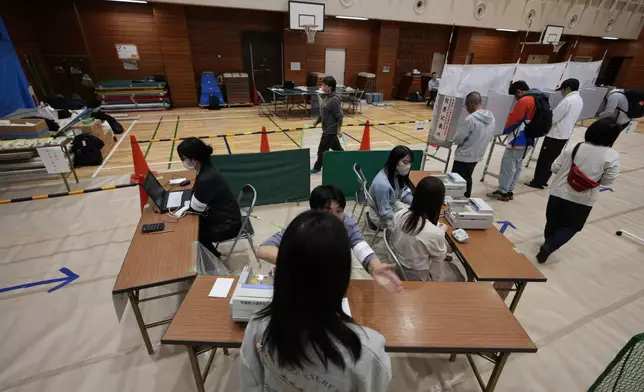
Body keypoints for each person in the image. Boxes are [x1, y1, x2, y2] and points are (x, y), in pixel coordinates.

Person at [241, 211, 392, 391]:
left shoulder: (259, 326)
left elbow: (250, 385)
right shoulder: (366, 351)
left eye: (339, 211)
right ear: (342, 276)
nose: (336, 214)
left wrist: (373, 265)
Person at [257, 185, 402, 293]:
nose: (334, 217)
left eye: (339, 211)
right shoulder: (303, 223)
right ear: (313, 211)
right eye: (327, 211)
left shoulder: (347, 224)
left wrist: (375, 268)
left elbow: (361, 247)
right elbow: (264, 250)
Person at [537, 118, 620, 263]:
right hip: (583, 199)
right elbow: (608, 180)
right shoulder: (611, 155)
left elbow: (554, 167)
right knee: (572, 226)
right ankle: (550, 245)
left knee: (552, 221)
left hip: (558, 192)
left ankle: (548, 242)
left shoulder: (573, 147)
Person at [176, 138, 242, 258]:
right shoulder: (206, 169)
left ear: (194, 159)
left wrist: (182, 207)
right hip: (224, 215)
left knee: (193, 232)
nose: (183, 161)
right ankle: (212, 255)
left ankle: (213, 259)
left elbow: (196, 209)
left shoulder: (206, 178)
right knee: (193, 226)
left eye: (184, 159)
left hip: (228, 225)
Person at [391, 176, 463, 282]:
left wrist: (439, 232)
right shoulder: (434, 233)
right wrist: (440, 233)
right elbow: (437, 269)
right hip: (417, 277)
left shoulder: (400, 214)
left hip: (399, 267)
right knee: (458, 275)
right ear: (438, 203)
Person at [487, 80, 540, 202]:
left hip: (519, 139)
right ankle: (509, 190)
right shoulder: (537, 99)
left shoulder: (525, 101)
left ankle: (503, 192)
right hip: (529, 138)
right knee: (517, 166)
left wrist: (499, 130)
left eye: (515, 96)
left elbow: (513, 121)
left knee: (508, 166)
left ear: (519, 92)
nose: (515, 100)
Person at [526, 78, 584, 190]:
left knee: (544, 159)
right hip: (565, 135)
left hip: (555, 135)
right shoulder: (579, 100)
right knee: (552, 158)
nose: (561, 93)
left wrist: (542, 123)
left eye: (562, 90)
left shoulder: (567, 101)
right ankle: (544, 180)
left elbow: (553, 118)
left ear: (568, 88)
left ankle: (537, 181)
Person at [451, 91, 495, 197]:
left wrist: (454, 139)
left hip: (464, 156)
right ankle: (466, 199)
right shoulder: (491, 118)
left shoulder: (471, 119)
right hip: (477, 155)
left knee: (456, 181)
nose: (466, 108)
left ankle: (456, 202)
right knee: (467, 177)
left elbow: (458, 139)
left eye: (466, 105)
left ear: (470, 103)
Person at [368, 146, 414, 228]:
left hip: (392, 205)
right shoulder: (382, 185)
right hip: (381, 217)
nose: (408, 166)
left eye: (410, 162)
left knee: (415, 214)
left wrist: (417, 203)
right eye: (405, 162)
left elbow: (404, 193)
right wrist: (403, 217)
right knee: (411, 224)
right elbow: (384, 213)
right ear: (394, 161)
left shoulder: (397, 173)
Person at [311, 76, 344, 174]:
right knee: (337, 149)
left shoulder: (335, 100)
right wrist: (316, 122)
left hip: (330, 130)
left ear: (330, 87)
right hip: (327, 129)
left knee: (321, 151)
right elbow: (323, 113)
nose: (322, 86)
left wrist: (338, 129)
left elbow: (340, 116)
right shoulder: (326, 98)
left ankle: (317, 167)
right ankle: (347, 159)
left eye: (324, 85)